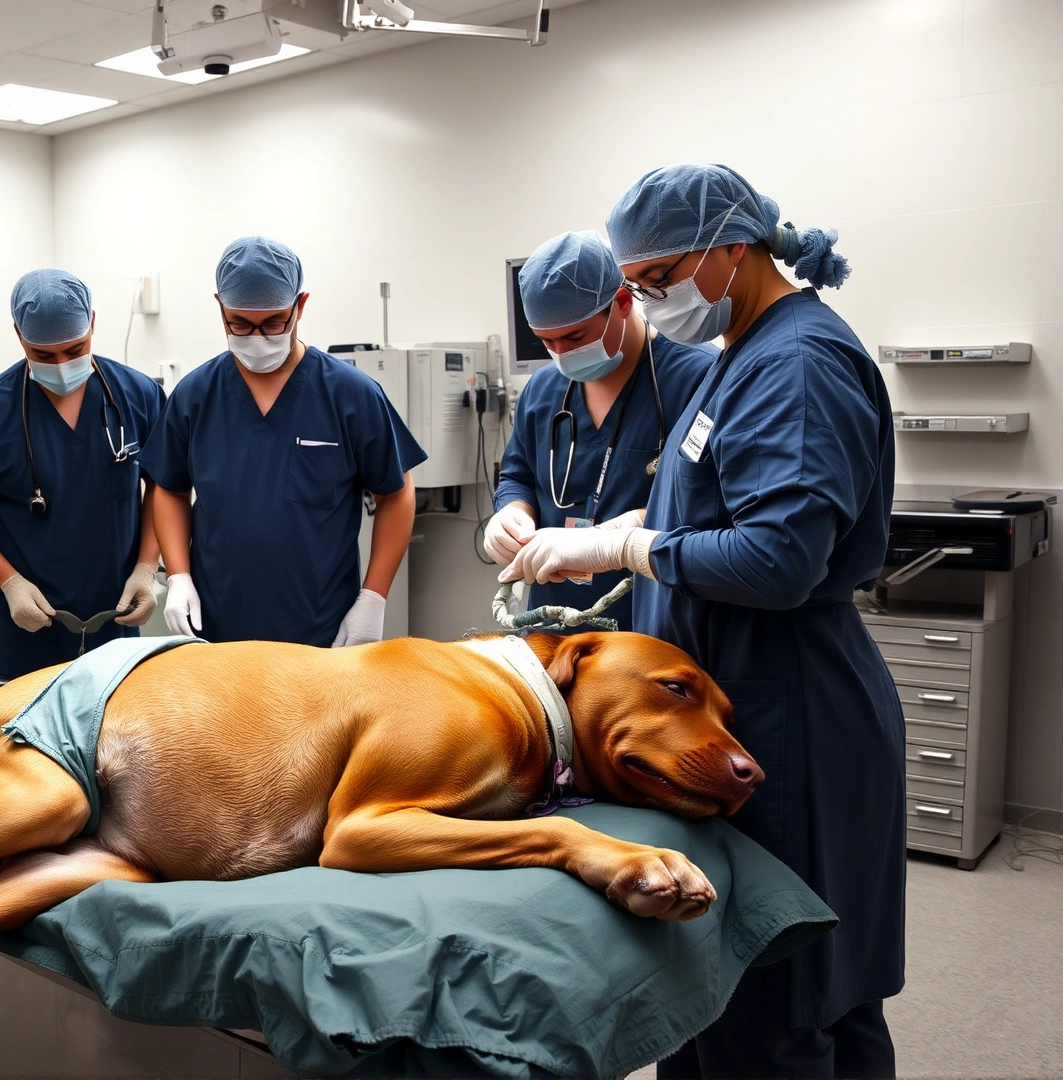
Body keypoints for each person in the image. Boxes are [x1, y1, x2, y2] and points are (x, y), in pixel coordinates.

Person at [499, 164, 904, 1078]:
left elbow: (776, 558)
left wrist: (631, 550)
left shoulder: (795, 362)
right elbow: (727, 503)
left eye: (653, 281)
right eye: (635, 284)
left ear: (730, 247)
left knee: (779, 991)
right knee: (734, 988)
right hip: (740, 688)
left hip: (786, 702)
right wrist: (629, 531)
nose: (645, 299)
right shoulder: (747, 351)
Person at [150, 237, 425, 647]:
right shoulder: (195, 396)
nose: (257, 337)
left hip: (320, 628)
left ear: (301, 305)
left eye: (275, 321)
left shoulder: (350, 395)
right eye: (238, 323)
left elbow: (396, 495)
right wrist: (179, 576)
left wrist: (373, 598)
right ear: (219, 306)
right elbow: (169, 489)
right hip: (217, 627)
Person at [0, 269, 166, 680]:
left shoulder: (138, 396)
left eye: (76, 349)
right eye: (44, 355)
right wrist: (10, 582)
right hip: (19, 633)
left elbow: (163, 486)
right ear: (19, 335)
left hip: (115, 628)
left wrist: (147, 567)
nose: (62, 365)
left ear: (92, 322)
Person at [486, 231, 716, 630]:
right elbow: (517, 475)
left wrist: (621, 534)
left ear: (623, 303)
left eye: (575, 336)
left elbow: (717, 503)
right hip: (549, 625)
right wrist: (511, 512)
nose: (562, 353)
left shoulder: (698, 377)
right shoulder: (543, 390)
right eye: (547, 342)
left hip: (654, 623)